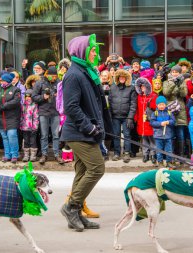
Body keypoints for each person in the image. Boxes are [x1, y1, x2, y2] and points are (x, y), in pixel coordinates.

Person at [60, 34, 112, 232]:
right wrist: (89, 127)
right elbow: (71, 107)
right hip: (79, 132)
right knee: (97, 168)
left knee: (82, 172)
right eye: (91, 50)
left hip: (87, 131)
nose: (95, 53)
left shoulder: (87, 72)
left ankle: (77, 212)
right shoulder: (74, 74)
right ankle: (70, 207)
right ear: (81, 51)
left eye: (95, 50)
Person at [32, 66, 64, 165]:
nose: (54, 78)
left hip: (55, 112)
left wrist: (57, 96)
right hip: (44, 112)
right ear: (47, 75)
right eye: (52, 76)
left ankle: (56, 154)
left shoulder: (59, 83)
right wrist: (43, 97)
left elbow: (64, 96)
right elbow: (34, 97)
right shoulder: (40, 83)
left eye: (55, 76)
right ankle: (44, 154)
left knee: (55, 135)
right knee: (44, 135)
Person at [0, 72, 21, 163]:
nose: (1, 82)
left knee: (12, 136)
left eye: (3, 80)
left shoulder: (15, 90)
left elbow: (16, 101)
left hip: (12, 117)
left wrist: (5, 106)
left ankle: (14, 154)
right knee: (4, 137)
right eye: (1, 80)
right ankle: (7, 155)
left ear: (7, 81)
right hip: (0, 117)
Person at [108, 69, 137, 163]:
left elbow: (133, 104)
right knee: (116, 135)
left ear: (127, 78)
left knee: (127, 135)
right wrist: (110, 115)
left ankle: (127, 153)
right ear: (117, 78)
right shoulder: (112, 87)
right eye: (120, 77)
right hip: (115, 116)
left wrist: (130, 117)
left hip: (126, 117)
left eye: (123, 77)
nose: (122, 78)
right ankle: (117, 153)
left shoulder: (131, 88)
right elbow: (110, 102)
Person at [163, 65, 188, 157]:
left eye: (176, 72)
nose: (174, 73)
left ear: (180, 73)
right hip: (170, 108)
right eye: (173, 72)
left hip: (180, 109)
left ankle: (181, 155)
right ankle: (171, 155)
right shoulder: (166, 82)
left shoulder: (183, 82)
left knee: (180, 134)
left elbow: (184, 94)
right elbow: (166, 93)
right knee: (171, 134)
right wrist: (173, 83)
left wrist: (180, 84)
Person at [135, 77, 158, 163]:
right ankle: (145, 154)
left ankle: (153, 154)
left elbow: (155, 108)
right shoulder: (139, 97)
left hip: (150, 121)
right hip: (142, 121)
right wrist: (136, 118)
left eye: (144, 86)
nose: (142, 88)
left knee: (152, 139)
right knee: (144, 139)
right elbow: (137, 109)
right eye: (141, 87)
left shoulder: (153, 96)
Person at [150, 96, 176, 168]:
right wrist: (160, 123)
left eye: (163, 104)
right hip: (158, 135)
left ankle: (169, 162)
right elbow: (152, 123)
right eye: (160, 104)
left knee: (169, 150)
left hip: (168, 135)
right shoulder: (155, 113)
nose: (161, 106)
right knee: (159, 150)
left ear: (165, 104)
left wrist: (168, 122)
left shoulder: (169, 113)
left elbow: (174, 121)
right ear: (157, 105)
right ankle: (160, 162)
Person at [20, 89, 39, 162]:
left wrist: (35, 126)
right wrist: (21, 125)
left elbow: (36, 116)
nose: (27, 98)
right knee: (26, 141)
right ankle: (26, 155)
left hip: (32, 127)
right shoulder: (23, 105)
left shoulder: (34, 105)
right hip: (24, 127)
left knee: (33, 141)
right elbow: (21, 116)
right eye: (26, 96)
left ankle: (33, 155)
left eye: (29, 96)